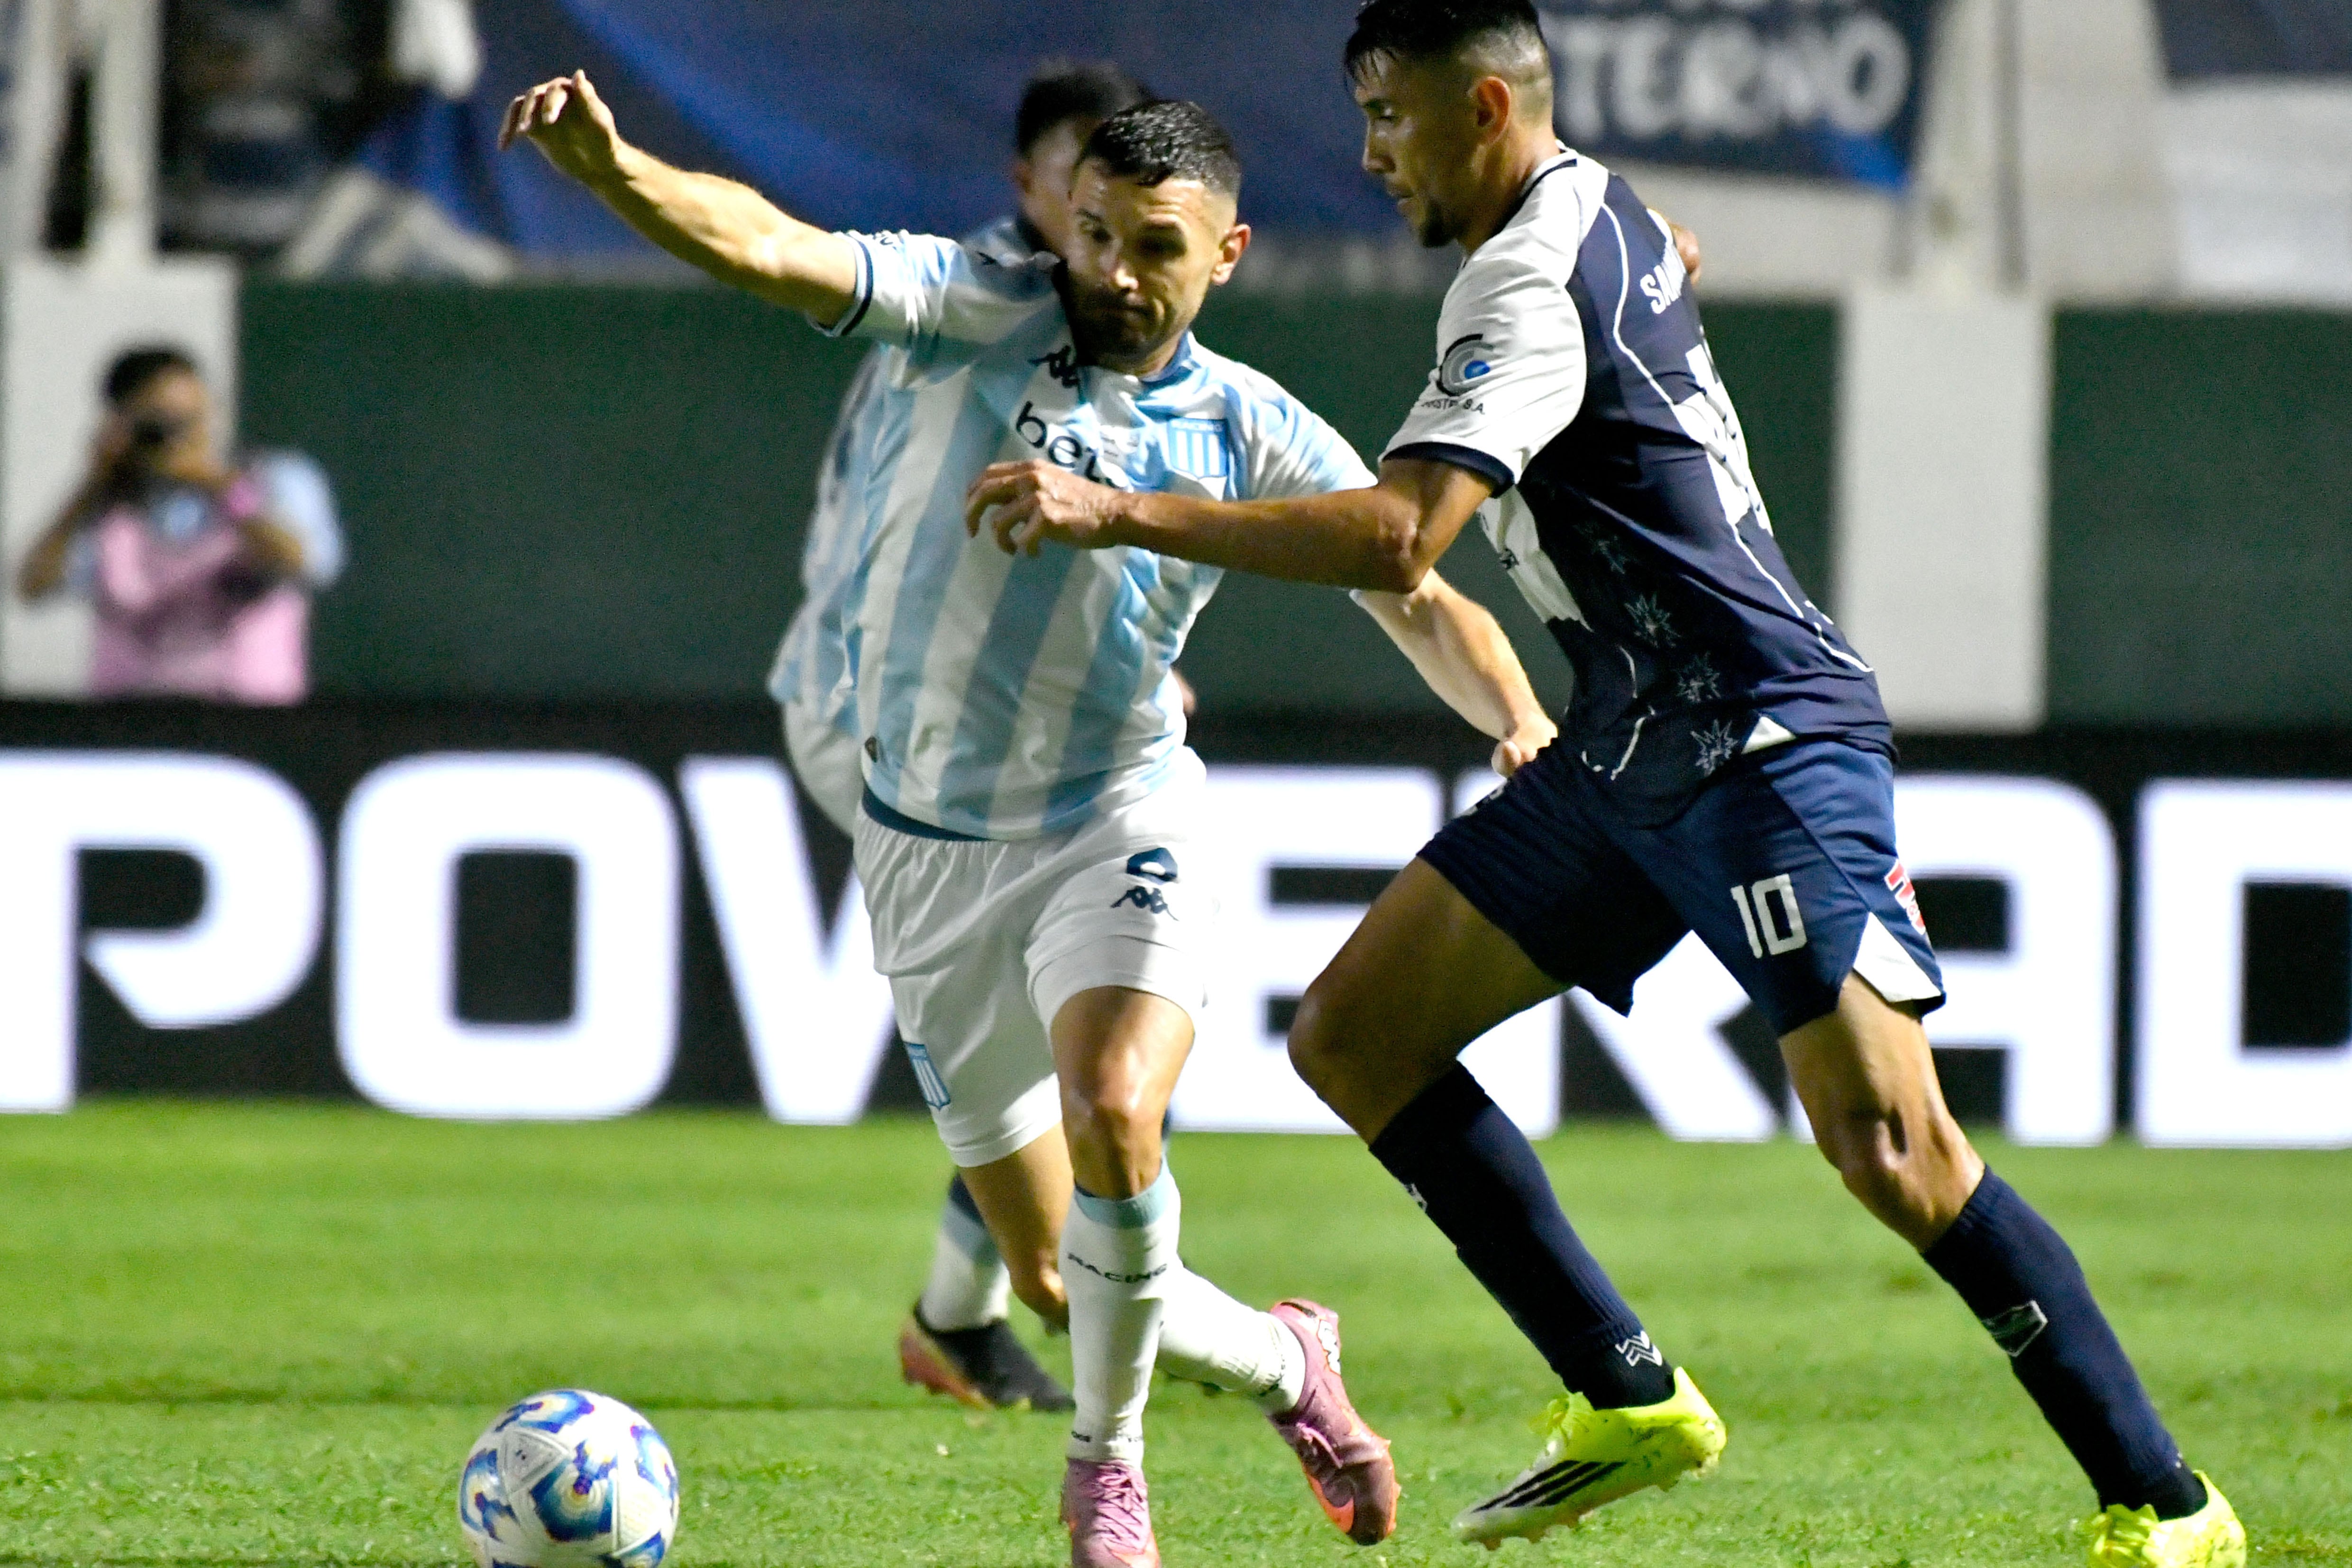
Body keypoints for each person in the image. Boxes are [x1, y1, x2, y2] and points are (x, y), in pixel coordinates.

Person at [959, 4, 2247, 1566]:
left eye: (1393, 120)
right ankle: (1624, 1391)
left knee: (1892, 1146)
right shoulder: (1588, 201)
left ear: (1488, 108)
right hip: (1632, 743)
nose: (1371, 156)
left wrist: (1120, 508)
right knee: (1358, 1033)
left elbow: (1398, 538)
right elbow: (1655, 252)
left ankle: (2168, 1503)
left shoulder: (1521, 277)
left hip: (1764, 736)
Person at [504, 76, 1563, 1566]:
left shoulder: (1247, 424)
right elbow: (767, 244)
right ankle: (1287, 1361)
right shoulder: (975, 307)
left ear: (1230, 252)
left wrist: (1514, 719)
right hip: (925, 847)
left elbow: (1420, 595)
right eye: (1092, 235)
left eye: (1154, 245)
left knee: (1118, 1105)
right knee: (1064, 1278)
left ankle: (1104, 1474)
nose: (1116, 274)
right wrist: (612, 171)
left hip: (1112, 815)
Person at [770, 58, 1155, 1422]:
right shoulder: (978, 305)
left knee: (1097, 1024)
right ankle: (975, 1303)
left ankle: (959, 1311)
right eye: (1078, 188)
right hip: (872, 706)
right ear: (1028, 189)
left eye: (1124, 190)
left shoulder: (1105, 327)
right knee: (1086, 1025)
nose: (1102, 219)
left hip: (968, 712)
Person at [16, 347, 343, 704]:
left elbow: (300, 563)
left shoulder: (274, 480)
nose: (180, 436)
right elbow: (33, 586)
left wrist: (221, 489)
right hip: (131, 723)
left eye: (190, 419)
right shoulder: (111, 509)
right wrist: (92, 487)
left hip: (251, 719)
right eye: (161, 424)